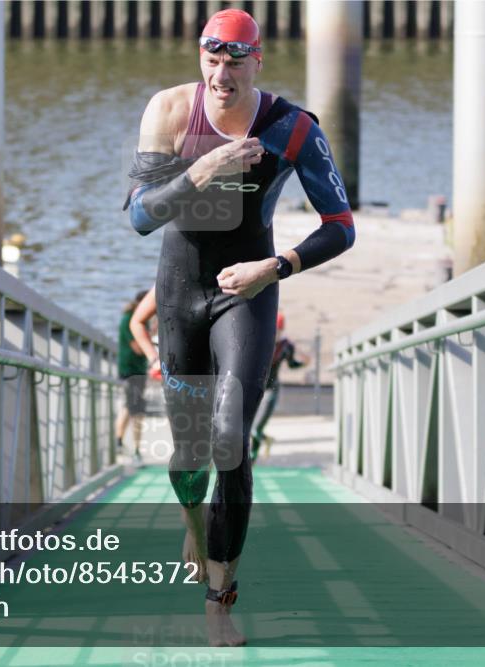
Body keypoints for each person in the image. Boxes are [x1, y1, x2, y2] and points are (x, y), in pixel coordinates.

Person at [123, 8, 355, 646]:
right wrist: (201, 170)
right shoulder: (169, 111)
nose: (222, 74)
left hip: (248, 289)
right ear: (201, 57)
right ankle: (193, 524)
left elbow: (341, 224)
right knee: (188, 455)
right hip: (178, 292)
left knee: (230, 440)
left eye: (236, 61)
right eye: (212, 59)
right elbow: (140, 217)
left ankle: (219, 598)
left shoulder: (292, 127)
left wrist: (275, 266)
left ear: (258, 61)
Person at [250, 311, 310, 463]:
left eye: (278, 330)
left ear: (282, 330)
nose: (275, 333)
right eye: (272, 329)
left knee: (255, 428)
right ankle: (263, 444)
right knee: (248, 427)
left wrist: (304, 363)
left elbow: (291, 364)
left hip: (271, 389)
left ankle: (252, 460)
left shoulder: (286, 346)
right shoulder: (260, 338)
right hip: (255, 387)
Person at [115, 290, 150, 462]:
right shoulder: (130, 320)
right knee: (136, 409)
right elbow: (138, 348)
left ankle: (120, 442)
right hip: (132, 371)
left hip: (136, 370)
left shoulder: (133, 318)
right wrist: (153, 352)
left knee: (129, 406)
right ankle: (132, 449)